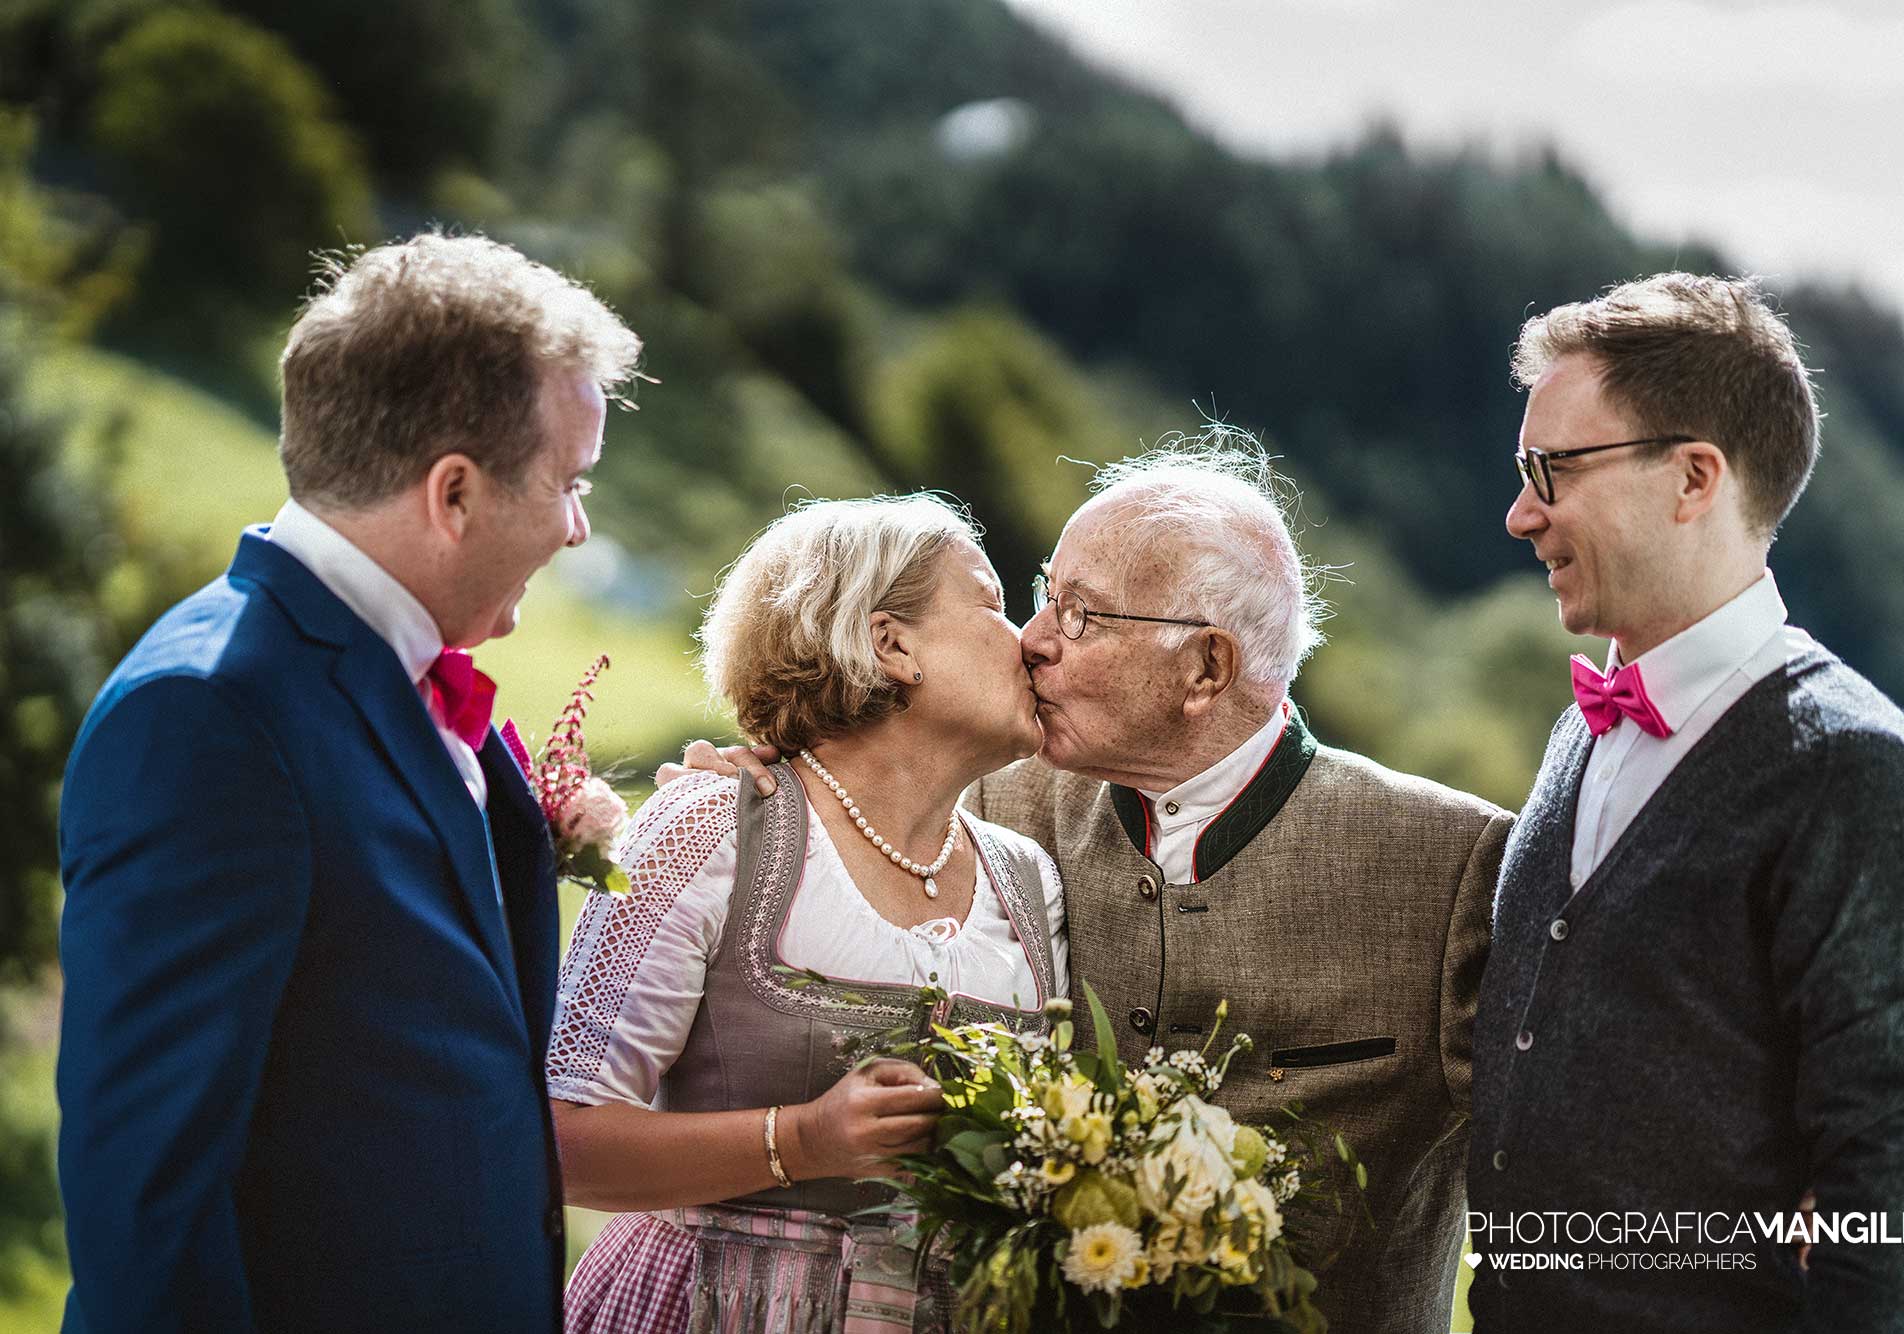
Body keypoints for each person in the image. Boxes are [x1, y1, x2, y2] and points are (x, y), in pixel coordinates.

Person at [680, 441, 1512, 1334]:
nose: (1033, 639)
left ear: (1206, 668)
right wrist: (770, 791)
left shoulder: (1455, 863)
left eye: (1079, 615)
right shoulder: (986, 807)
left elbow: (1553, 1188)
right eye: (1045, 594)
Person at [56, 233, 640, 1332]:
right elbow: (146, 1202)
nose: (578, 528)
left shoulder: (392, 675)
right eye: (571, 483)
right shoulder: (207, 717)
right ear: (453, 493)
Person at [1469, 273, 1904, 1333]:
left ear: (1693, 476)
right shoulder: (1576, 733)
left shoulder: (1853, 770)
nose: (1520, 514)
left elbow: (1882, 1172)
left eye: (1551, 470)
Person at [548, 495, 1067, 1334]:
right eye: (992, 604)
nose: (1031, 642)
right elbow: (560, 1139)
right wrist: (801, 1141)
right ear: (891, 644)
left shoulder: (1029, 880)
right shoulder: (710, 824)